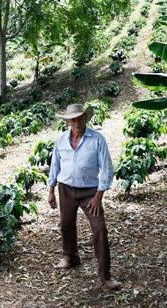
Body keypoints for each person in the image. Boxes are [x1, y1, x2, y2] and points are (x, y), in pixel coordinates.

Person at [47, 103, 119, 289]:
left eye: (80, 118)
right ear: (68, 121)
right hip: (66, 189)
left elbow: (107, 169)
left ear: (86, 118)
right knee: (66, 224)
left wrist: (98, 196)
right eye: (73, 119)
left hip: (90, 192)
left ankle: (105, 275)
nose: (76, 122)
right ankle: (71, 257)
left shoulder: (97, 139)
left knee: (99, 229)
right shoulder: (61, 140)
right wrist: (51, 189)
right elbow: (55, 165)